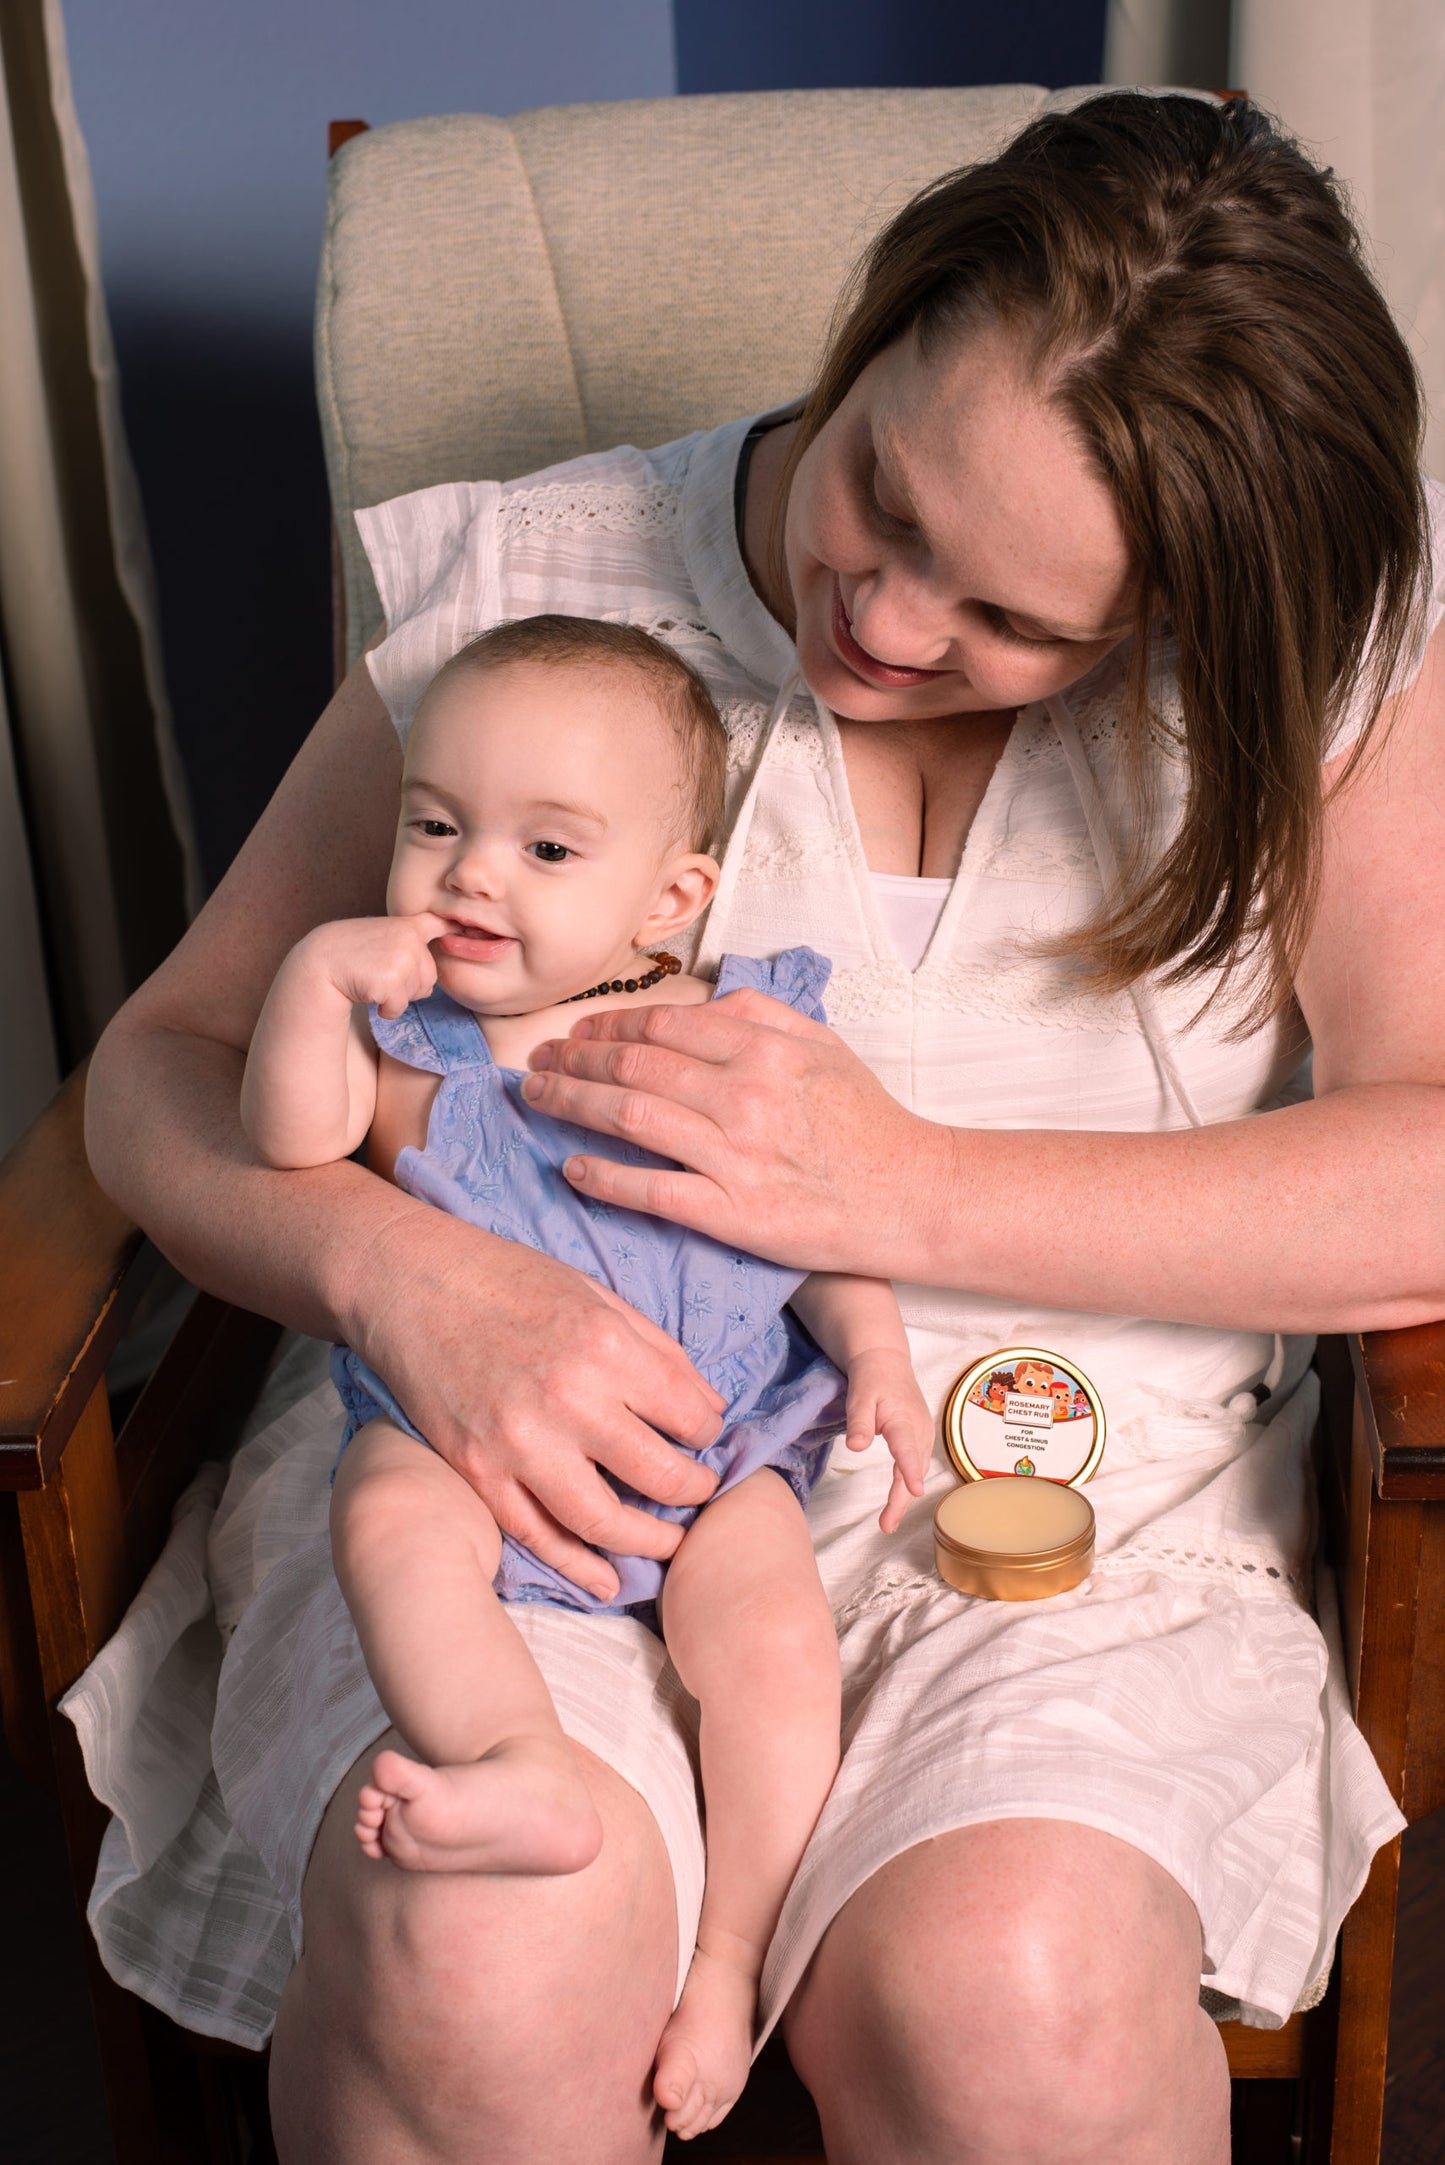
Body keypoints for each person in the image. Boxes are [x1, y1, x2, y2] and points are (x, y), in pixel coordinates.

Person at [76, 90, 1445, 2165]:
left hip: (1073, 1524)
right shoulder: (537, 587)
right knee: (489, 1950)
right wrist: (403, 1274)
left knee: (1020, 2017)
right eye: (883, 494)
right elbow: (161, 1071)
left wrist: (902, 1189)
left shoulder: (1305, 669)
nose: (885, 625)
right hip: (515, 1473)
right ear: (885, 317)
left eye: (1018, 626)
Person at [238, 614, 931, 2138]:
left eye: (547, 848)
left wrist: (874, 1352)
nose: (471, 873)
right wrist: (304, 982)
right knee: (388, 1525)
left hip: (712, 1446)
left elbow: (814, 1220)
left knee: (765, 1642)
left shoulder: (709, 1031)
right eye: (436, 825)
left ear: (669, 894)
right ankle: (518, 1760)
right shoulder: (406, 1043)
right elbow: (288, 1146)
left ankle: (730, 1957)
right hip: (455, 1434)